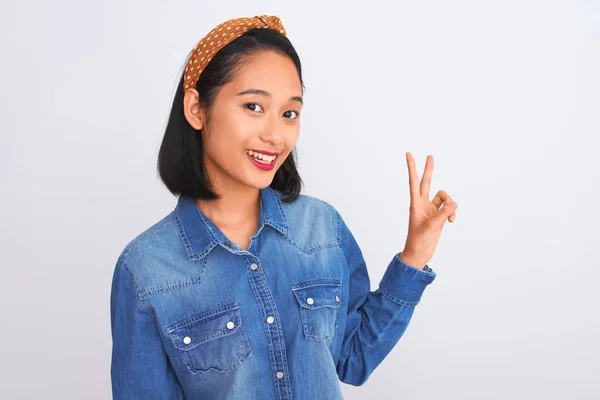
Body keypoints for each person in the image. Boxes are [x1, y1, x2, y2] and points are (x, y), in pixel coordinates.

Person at [110, 14, 458, 400]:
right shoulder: (146, 270)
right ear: (196, 109)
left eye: (289, 113)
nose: (275, 135)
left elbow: (353, 359)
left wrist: (415, 255)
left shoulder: (322, 228)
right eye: (254, 107)